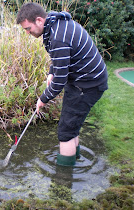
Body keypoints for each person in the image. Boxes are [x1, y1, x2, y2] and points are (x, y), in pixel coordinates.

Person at [16, 2, 108, 166]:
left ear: (38, 20)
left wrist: (43, 99)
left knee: (65, 132)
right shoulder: (55, 24)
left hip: (88, 84)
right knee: (71, 125)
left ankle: (63, 178)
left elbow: (60, 81)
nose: (28, 33)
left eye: (28, 29)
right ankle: (76, 159)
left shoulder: (57, 36)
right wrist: (52, 71)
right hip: (82, 80)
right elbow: (62, 56)